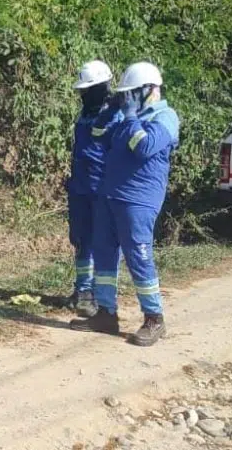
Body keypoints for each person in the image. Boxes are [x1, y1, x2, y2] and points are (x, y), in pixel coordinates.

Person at [72, 61, 179, 347]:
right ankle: (106, 313)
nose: (128, 98)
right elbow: (97, 137)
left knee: (138, 257)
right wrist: (109, 112)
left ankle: (154, 318)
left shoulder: (165, 117)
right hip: (110, 196)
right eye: (125, 94)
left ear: (150, 90)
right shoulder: (126, 119)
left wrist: (130, 116)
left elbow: (144, 147)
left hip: (139, 200)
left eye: (132, 93)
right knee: (104, 255)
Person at [65, 60, 121, 318]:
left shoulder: (116, 115)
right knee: (81, 239)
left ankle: (101, 295)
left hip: (103, 189)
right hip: (80, 187)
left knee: (103, 242)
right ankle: (82, 290)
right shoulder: (85, 113)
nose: (83, 94)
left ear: (101, 87)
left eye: (88, 89)